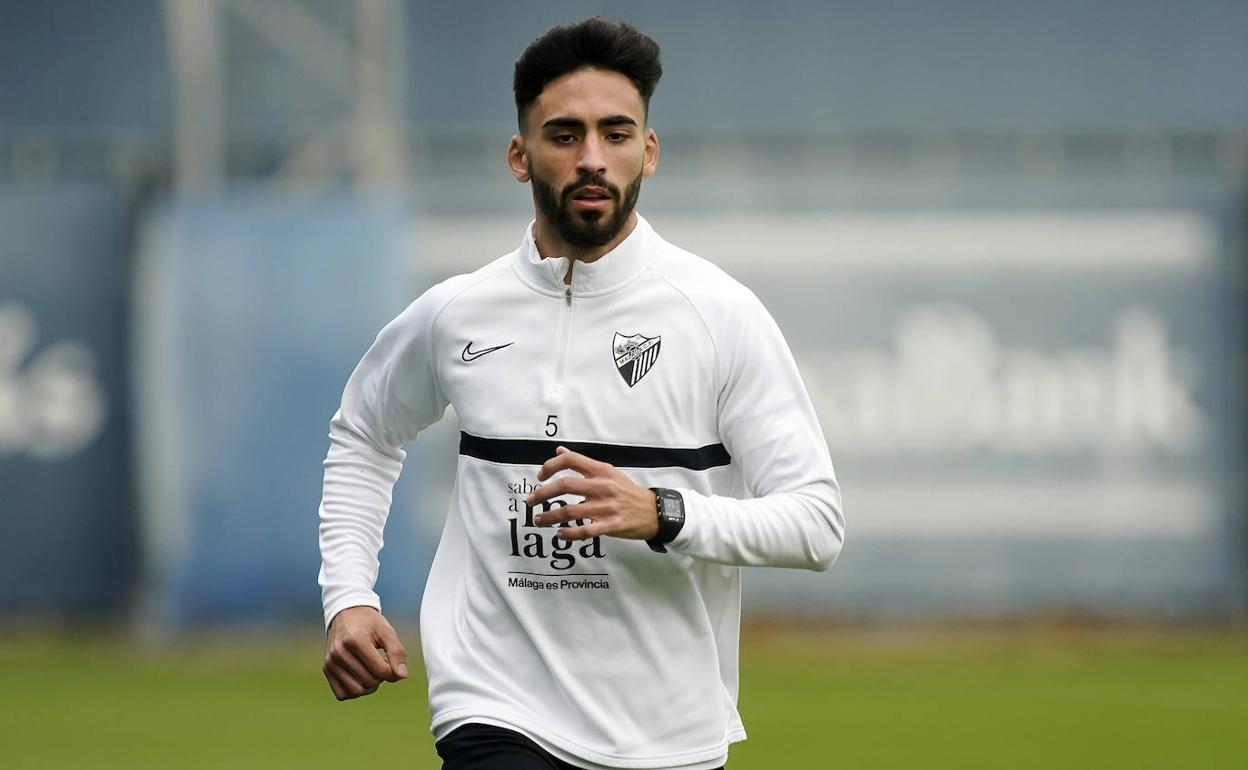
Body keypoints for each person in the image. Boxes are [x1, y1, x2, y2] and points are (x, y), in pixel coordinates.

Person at [318, 17, 844, 770]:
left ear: (649, 152)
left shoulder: (721, 316)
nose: (592, 158)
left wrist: (662, 513)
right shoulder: (457, 312)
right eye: (564, 135)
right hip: (493, 705)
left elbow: (817, 525)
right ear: (518, 154)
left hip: (668, 733)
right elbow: (365, 432)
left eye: (616, 133)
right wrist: (349, 596)